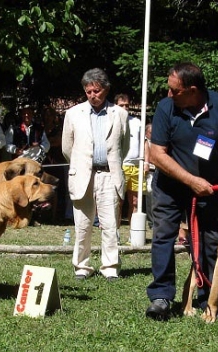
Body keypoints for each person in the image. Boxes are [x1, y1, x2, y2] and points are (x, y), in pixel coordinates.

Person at [145, 62, 218, 320]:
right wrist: (191, 181)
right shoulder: (165, 108)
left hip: (208, 190)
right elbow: (157, 154)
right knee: (163, 237)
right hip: (169, 187)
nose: (169, 94)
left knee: (211, 241)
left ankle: (211, 299)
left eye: (174, 90)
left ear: (192, 90)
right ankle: (161, 297)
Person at [62, 68, 130, 281]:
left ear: (106, 89)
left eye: (97, 91)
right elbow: (67, 148)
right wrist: (82, 165)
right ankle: (81, 266)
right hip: (83, 175)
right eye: (88, 91)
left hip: (109, 175)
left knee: (109, 224)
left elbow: (124, 146)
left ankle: (110, 267)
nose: (92, 95)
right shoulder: (72, 114)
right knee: (82, 225)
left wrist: (112, 165)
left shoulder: (120, 114)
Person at [116, 93, 145, 224]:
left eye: (127, 105)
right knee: (118, 202)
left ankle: (133, 235)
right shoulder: (112, 122)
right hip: (120, 166)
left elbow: (145, 143)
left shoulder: (137, 122)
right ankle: (114, 234)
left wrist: (146, 161)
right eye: (121, 105)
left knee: (135, 202)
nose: (125, 108)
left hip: (136, 167)